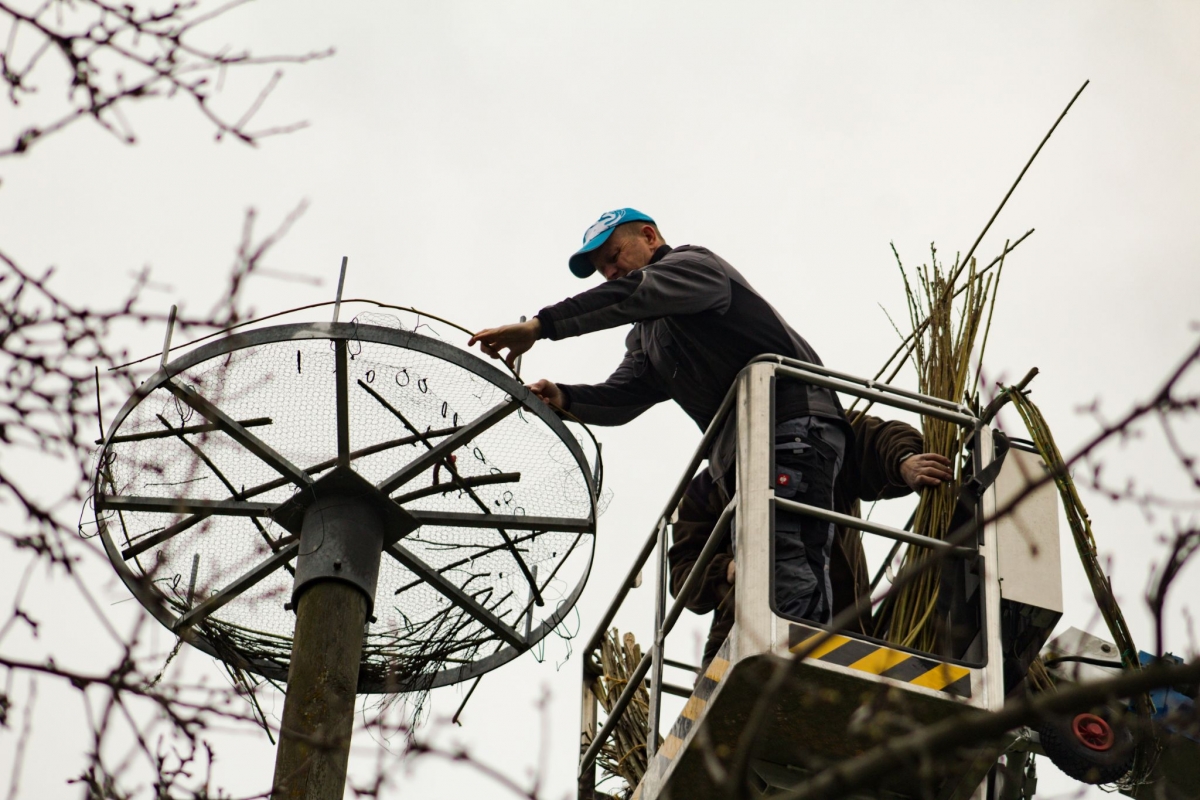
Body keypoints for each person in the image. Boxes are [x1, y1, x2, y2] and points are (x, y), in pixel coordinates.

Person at [468, 208, 952, 634]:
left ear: (649, 237)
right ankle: (781, 659)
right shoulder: (650, 335)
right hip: (741, 456)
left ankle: (797, 659)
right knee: (766, 561)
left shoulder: (693, 268)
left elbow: (632, 293)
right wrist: (566, 397)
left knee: (783, 553)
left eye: (614, 256)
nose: (610, 272)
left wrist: (539, 327)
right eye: (601, 270)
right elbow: (627, 394)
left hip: (791, 427)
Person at [669, 410, 950, 671]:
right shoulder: (707, 488)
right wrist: (728, 569)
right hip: (741, 640)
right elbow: (684, 577)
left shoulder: (825, 433)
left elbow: (879, 437)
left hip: (840, 632)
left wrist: (904, 460)